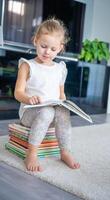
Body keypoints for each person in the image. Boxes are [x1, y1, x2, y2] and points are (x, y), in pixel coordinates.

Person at [14, 18, 80, 172]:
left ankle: (65, 152)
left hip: (52, 115)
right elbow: (17, 93)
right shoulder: (27, 65)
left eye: (53, 49)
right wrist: (29, 98)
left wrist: (64, 103)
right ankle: (31, 154)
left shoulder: (60, 69)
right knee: (46, 111)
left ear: (60, 48)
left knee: (62, 111)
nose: (47, 52)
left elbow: (61, 95)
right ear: (35, 41)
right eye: (43, 46)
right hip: (30, 114)